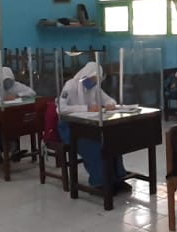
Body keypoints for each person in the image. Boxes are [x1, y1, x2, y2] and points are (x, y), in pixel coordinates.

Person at [56, 62, 130, 194]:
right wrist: (86, 108)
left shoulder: (95, 87)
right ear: (86, 75)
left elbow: (109, 99)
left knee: (113, 143)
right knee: (94, 146)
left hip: (90, 126)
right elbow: (61, 108)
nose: (94, 82)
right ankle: (100, 181)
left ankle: (117, 179)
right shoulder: (71, 85)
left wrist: (110, 104)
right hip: (71, 128)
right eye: (93, 79)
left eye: (97, 80)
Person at [0, 66, 36, 163]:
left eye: (9, 80)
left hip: (10, 116)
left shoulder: (16, 85)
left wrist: (18, 95)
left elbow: (32, 92)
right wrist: (1, 99)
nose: (7, 83)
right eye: (4, 80)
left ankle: (13, 150)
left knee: (15, 120)